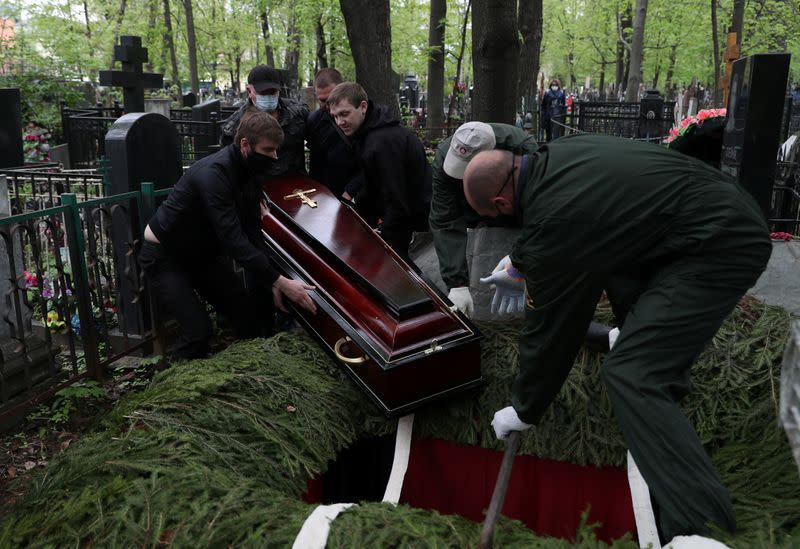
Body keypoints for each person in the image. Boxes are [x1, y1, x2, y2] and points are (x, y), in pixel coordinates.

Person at [463, 134, 771, 544]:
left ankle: (702, 527)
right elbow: (594, 222)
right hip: (708, 216)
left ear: (502, 205)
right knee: (616, 270)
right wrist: (521, 262)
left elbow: (553, 326)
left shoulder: (558, 217)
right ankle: (645, 351)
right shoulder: (559, 155)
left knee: (631, 373)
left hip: (718, 245)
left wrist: (524, 408)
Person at [140, 112, 316, 361]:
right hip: (166, 256)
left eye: (277, 150)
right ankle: (182, 386)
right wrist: (281, 282)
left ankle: (255, 373)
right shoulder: (214, 174)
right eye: (268, 150)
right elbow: (233, 240)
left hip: (201, 255)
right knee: (198, 332)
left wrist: (273, 280)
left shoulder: (250, 170)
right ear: (245, 144)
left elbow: (253, 231)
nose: (274, 157)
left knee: (247, 316)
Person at [429, 121, 538, 317]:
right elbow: (445, 218)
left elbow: (538, 212)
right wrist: (457, 284)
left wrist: (521, 259)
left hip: (513, 213)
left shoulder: (523, 150)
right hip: (474, 215)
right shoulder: (446, 157)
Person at [327, 82, 431, 258]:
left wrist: (386, 242)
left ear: (363, 107)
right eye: (334, 116)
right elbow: (372, 184)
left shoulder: (381, 142)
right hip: (405, 219)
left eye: (344, 114)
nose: (339, 122)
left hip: (414, 225)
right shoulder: (369, 133)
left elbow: (395, 198)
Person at [220, 65, 309, 177]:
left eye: (273, 92)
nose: (269, 97)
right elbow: (230, 167)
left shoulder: (298, 112)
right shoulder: (234, 126)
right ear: (249, 90)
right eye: (263, 93)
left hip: (297, 185)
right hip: (259, 189)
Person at [305, 68, 360, 198]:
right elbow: (316, 165)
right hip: (330, 194)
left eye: (331, 98)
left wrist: (350, 191)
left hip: (361, 192)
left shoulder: (358, 116)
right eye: (323, 101)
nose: (328, 106)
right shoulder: (314, 121)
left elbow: (369, 161)